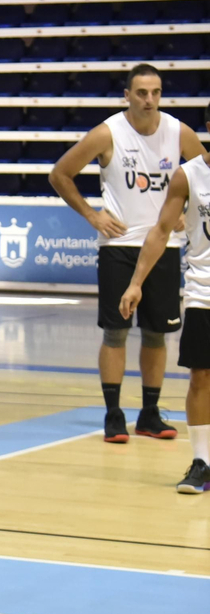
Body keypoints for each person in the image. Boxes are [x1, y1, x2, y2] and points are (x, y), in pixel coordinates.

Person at [50, 64, 206, 443]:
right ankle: (114, 414)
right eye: (141, 92)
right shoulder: (108, 133)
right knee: (115, 333)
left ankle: (150, 413)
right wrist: (91, 214)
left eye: (155, 92)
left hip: (165, 249)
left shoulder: (178, 131)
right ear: (127, 95)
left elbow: (203, 175)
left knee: (157, 335)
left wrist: (186, 212)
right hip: (119, 247)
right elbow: (60, 174)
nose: (149, 99)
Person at [119, 152, 210, 494]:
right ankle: (202, 462)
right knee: (201, 376)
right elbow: (160, 231)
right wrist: (136, 282)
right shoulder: (188, 176)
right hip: (204, 291)